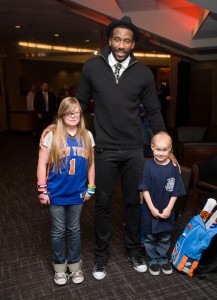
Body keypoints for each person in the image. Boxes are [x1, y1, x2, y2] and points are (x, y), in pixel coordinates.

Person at [41, 16, 178, 280]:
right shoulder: (92, 67)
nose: (121, 44)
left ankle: (133, 250)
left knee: (132, 203)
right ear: (110, 40)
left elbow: (153, 112)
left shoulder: (143, 73)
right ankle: (101, 258)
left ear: (133, 43)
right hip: (102, 149)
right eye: (117, 39)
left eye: (127, 40)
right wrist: (55, 123)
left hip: (133, 149)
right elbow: (78, 103)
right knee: (103, 204)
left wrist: (166, 144)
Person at [37, 97, 95, 285]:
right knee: (58, 231)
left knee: (74, 230)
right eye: (69, 112)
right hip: (56, 193)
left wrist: (91, 187)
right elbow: (41, 164)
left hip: (77, 193)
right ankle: (60, 268)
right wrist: (42, 189)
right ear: (61, 114)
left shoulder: (87, 135)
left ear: (81, 114)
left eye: (76, 112)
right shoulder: (51, 135)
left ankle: (75, 266)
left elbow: (91, 165)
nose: (73, 115)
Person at [138, 132, 186, 276]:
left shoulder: (173, 167)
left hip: (167, 209)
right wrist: (152, 208)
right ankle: (152, 259)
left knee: (165, 236)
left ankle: (162, 257)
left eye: (164, 149)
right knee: (150, 236)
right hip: (150, 209)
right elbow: (144, 188)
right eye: (157, 149)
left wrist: (169, 207)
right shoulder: (147, 166)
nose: (160, 153)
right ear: (152, 147)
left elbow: (176, 191)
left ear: (170, 149)